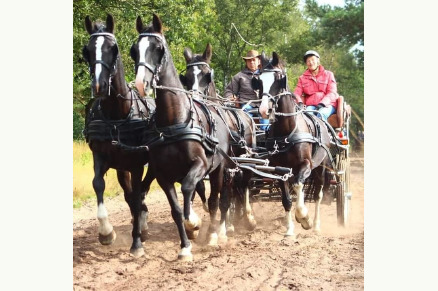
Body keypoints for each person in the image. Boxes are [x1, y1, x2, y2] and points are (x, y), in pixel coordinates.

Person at [224, 49, 269, 129]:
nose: (251, 62)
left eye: (253, 60)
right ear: (246, 62)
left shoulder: (266, 75)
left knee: (269, 121)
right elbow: (229, 91)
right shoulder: (239, 76)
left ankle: (268, 135)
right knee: (245, 123)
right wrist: (230, 98)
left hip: (264, 104)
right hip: (247, 104)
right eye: (249, 61)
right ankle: (246, 136)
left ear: (259, 61)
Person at [293, 50, 338, 122]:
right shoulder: (302, 78)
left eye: (313, 60)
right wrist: (300, 102)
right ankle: (309, 133)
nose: (311, 63)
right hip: (311, 105)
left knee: (321, 114)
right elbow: (296, 93)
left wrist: (322, 104)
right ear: (306, 64)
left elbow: (332, 93)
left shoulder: (329, 74)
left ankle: (323, 133)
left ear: (318, 61)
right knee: (306, 115)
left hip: (327, 105)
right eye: (308, 61)